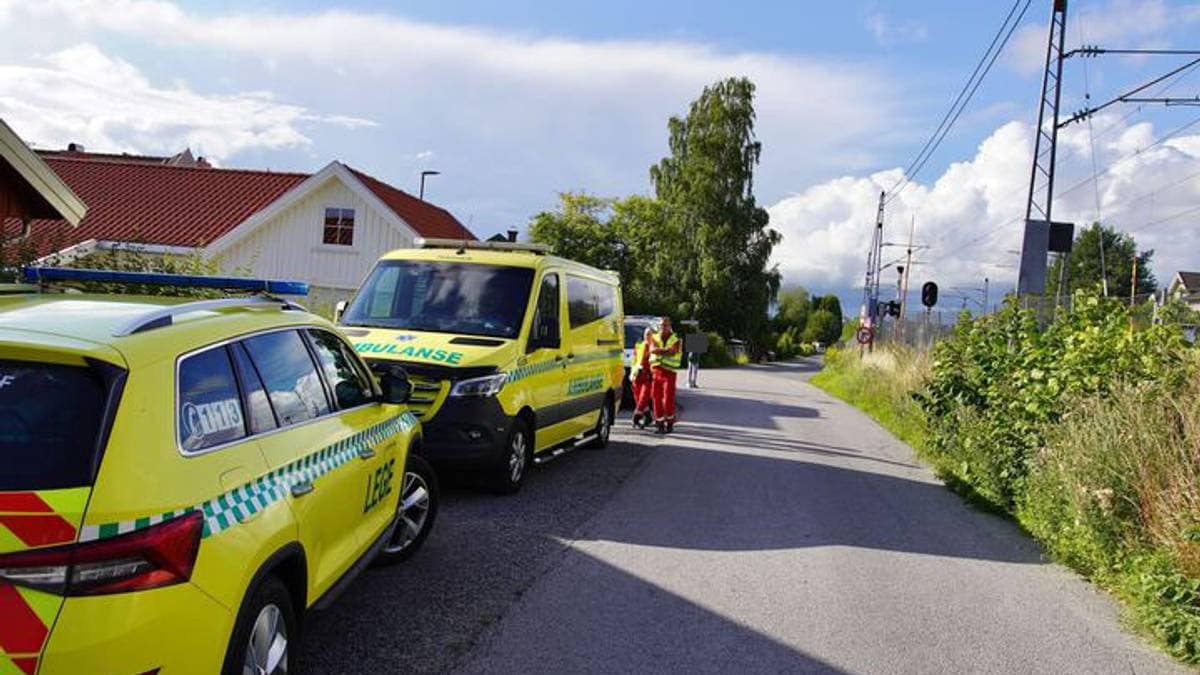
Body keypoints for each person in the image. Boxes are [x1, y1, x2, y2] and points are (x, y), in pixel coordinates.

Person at [649, 317, 682, 433]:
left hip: (669, 372)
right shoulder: (654, 337)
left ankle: (670, 423)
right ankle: (659, 424)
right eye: (662, 325)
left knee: (668, 399)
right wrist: (665, 351)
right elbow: (652, 350)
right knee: (656, 398)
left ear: (670, 326)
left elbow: (673, 351)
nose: (664, 327)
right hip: (656, 371)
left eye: (666, 325)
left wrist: (660, 350)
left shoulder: (676, 339)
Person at [630, 327, 655, 428]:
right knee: (637, 398)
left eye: (650, 334)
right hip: (637, 376)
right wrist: (632, 373)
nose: (647, 336)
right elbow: (635, 361)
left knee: (643, 398)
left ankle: (636, 418)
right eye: (646, 334)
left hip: (647, 376)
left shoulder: (654, 347)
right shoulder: (639, 346)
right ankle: (648, 416)